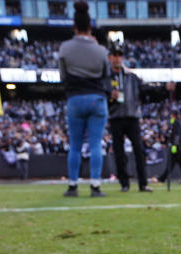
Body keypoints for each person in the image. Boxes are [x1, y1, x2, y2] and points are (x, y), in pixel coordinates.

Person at [58, 1, 110, 197]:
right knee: (96, 144)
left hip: (75, 99)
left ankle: (73, 185)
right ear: (90, 27)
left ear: (74, 26)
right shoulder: (101, 51)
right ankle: (95, 186)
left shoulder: (65, 48)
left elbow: (62, 76)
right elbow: (106, 74)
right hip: (97, 99)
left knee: (75, 145)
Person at [107, 44, 151, 192]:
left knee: (139, 150)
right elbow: (101, 96)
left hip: (132, 117)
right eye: (115, 55)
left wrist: (164, 89)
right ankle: (124, 183)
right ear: (110, 58)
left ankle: (143, 184)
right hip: (115, 117)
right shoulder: (106, 78)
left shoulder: (132, 77)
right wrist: (109, 97)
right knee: (119, 152)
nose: (117, 58)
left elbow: (146, 90)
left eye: (120, 55)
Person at [159, 111, 181, 184]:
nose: (170, 117)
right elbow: (171, 135)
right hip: (176, 146)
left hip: (177, 146)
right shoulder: (172, 124)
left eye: (171, 115)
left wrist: (175, 145)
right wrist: (165, 139)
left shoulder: (176, 123)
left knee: (172, 163)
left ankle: (162, 178)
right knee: (177, 163)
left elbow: (177, 135)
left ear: (173, 115)